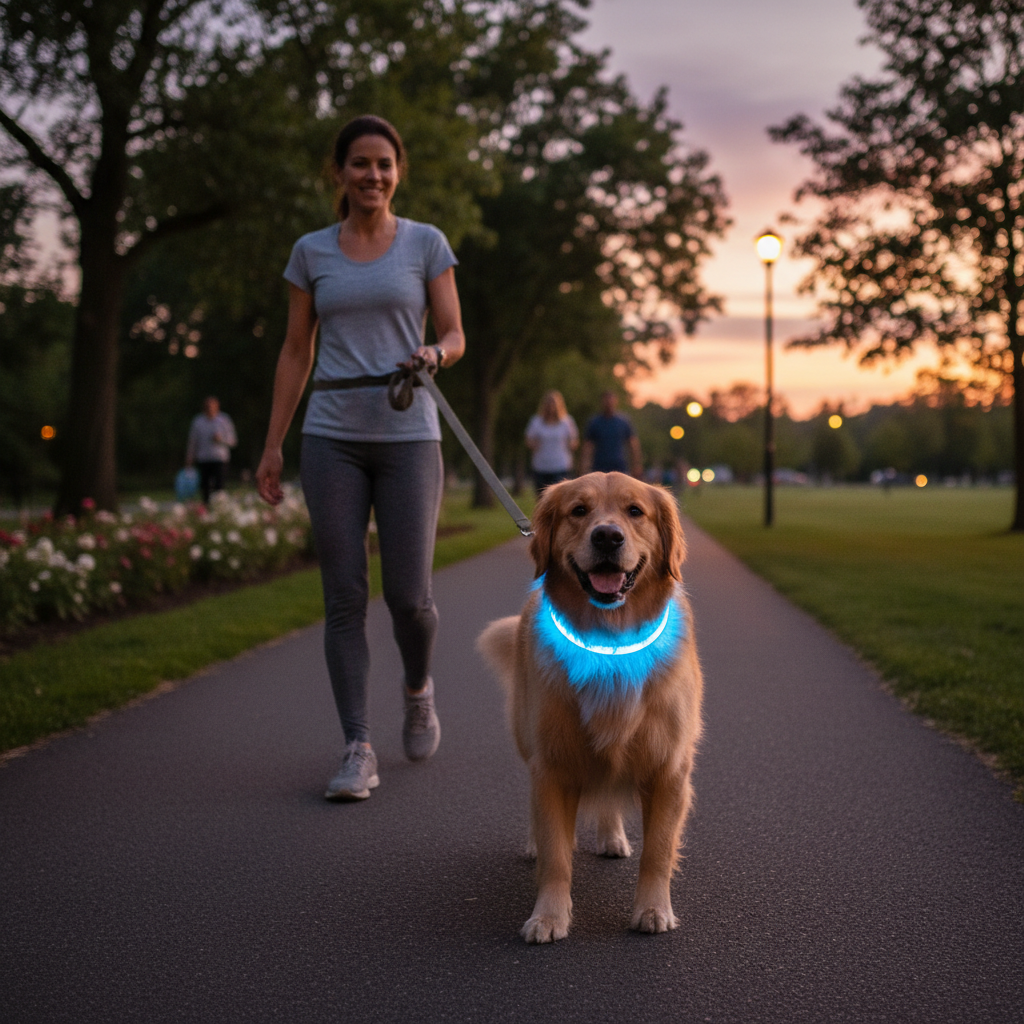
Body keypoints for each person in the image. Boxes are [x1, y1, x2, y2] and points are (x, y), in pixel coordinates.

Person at [255, 115, 465, 802]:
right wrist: (273, 443)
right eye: (359, 164)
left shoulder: (426, 244)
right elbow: (295, 351)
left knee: (410, 598)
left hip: (409, 436)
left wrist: (436, 351)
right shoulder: (311, 252)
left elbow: (456, 332)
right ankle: (357, 747)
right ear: (339, 173)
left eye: (384, 164)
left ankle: (417, 687)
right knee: (344, 595)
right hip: (332, 436)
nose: (372, 175)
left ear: (397, 170)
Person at [525, 391, 579, 494]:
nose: (551, 406)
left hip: (561, 465)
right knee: (541, 498)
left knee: (559, 497)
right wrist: (533, 444)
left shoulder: (567, 422)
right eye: (548, 403)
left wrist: (571, 444)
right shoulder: (536, 421)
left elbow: (574, 440)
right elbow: (528, 439)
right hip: (541, 466)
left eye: (553, 403)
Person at [186, 396, 237, 504]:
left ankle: (220, 507)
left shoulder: (224, 420)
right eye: (207, 406)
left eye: (212, 406)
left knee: (219, 486)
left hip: (220, 458)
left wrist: (221, 440)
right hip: (203, 458)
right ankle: (206, 508)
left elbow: (233, 441)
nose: (210, 408)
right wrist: (190, 456)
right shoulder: (198, 421)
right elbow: (193, 441)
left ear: (217, 407)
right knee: (205, 486)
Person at [581, 390, 642, 476]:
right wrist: (584, 467)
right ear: (602, 402)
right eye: (606, 400)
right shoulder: (594, 422)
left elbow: (633, 444)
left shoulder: (623, 421)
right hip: (599, 466)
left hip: (619, 466)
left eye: (610, 400)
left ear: (616, 401)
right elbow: (588, 447)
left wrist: (636, 465)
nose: (608, 403)